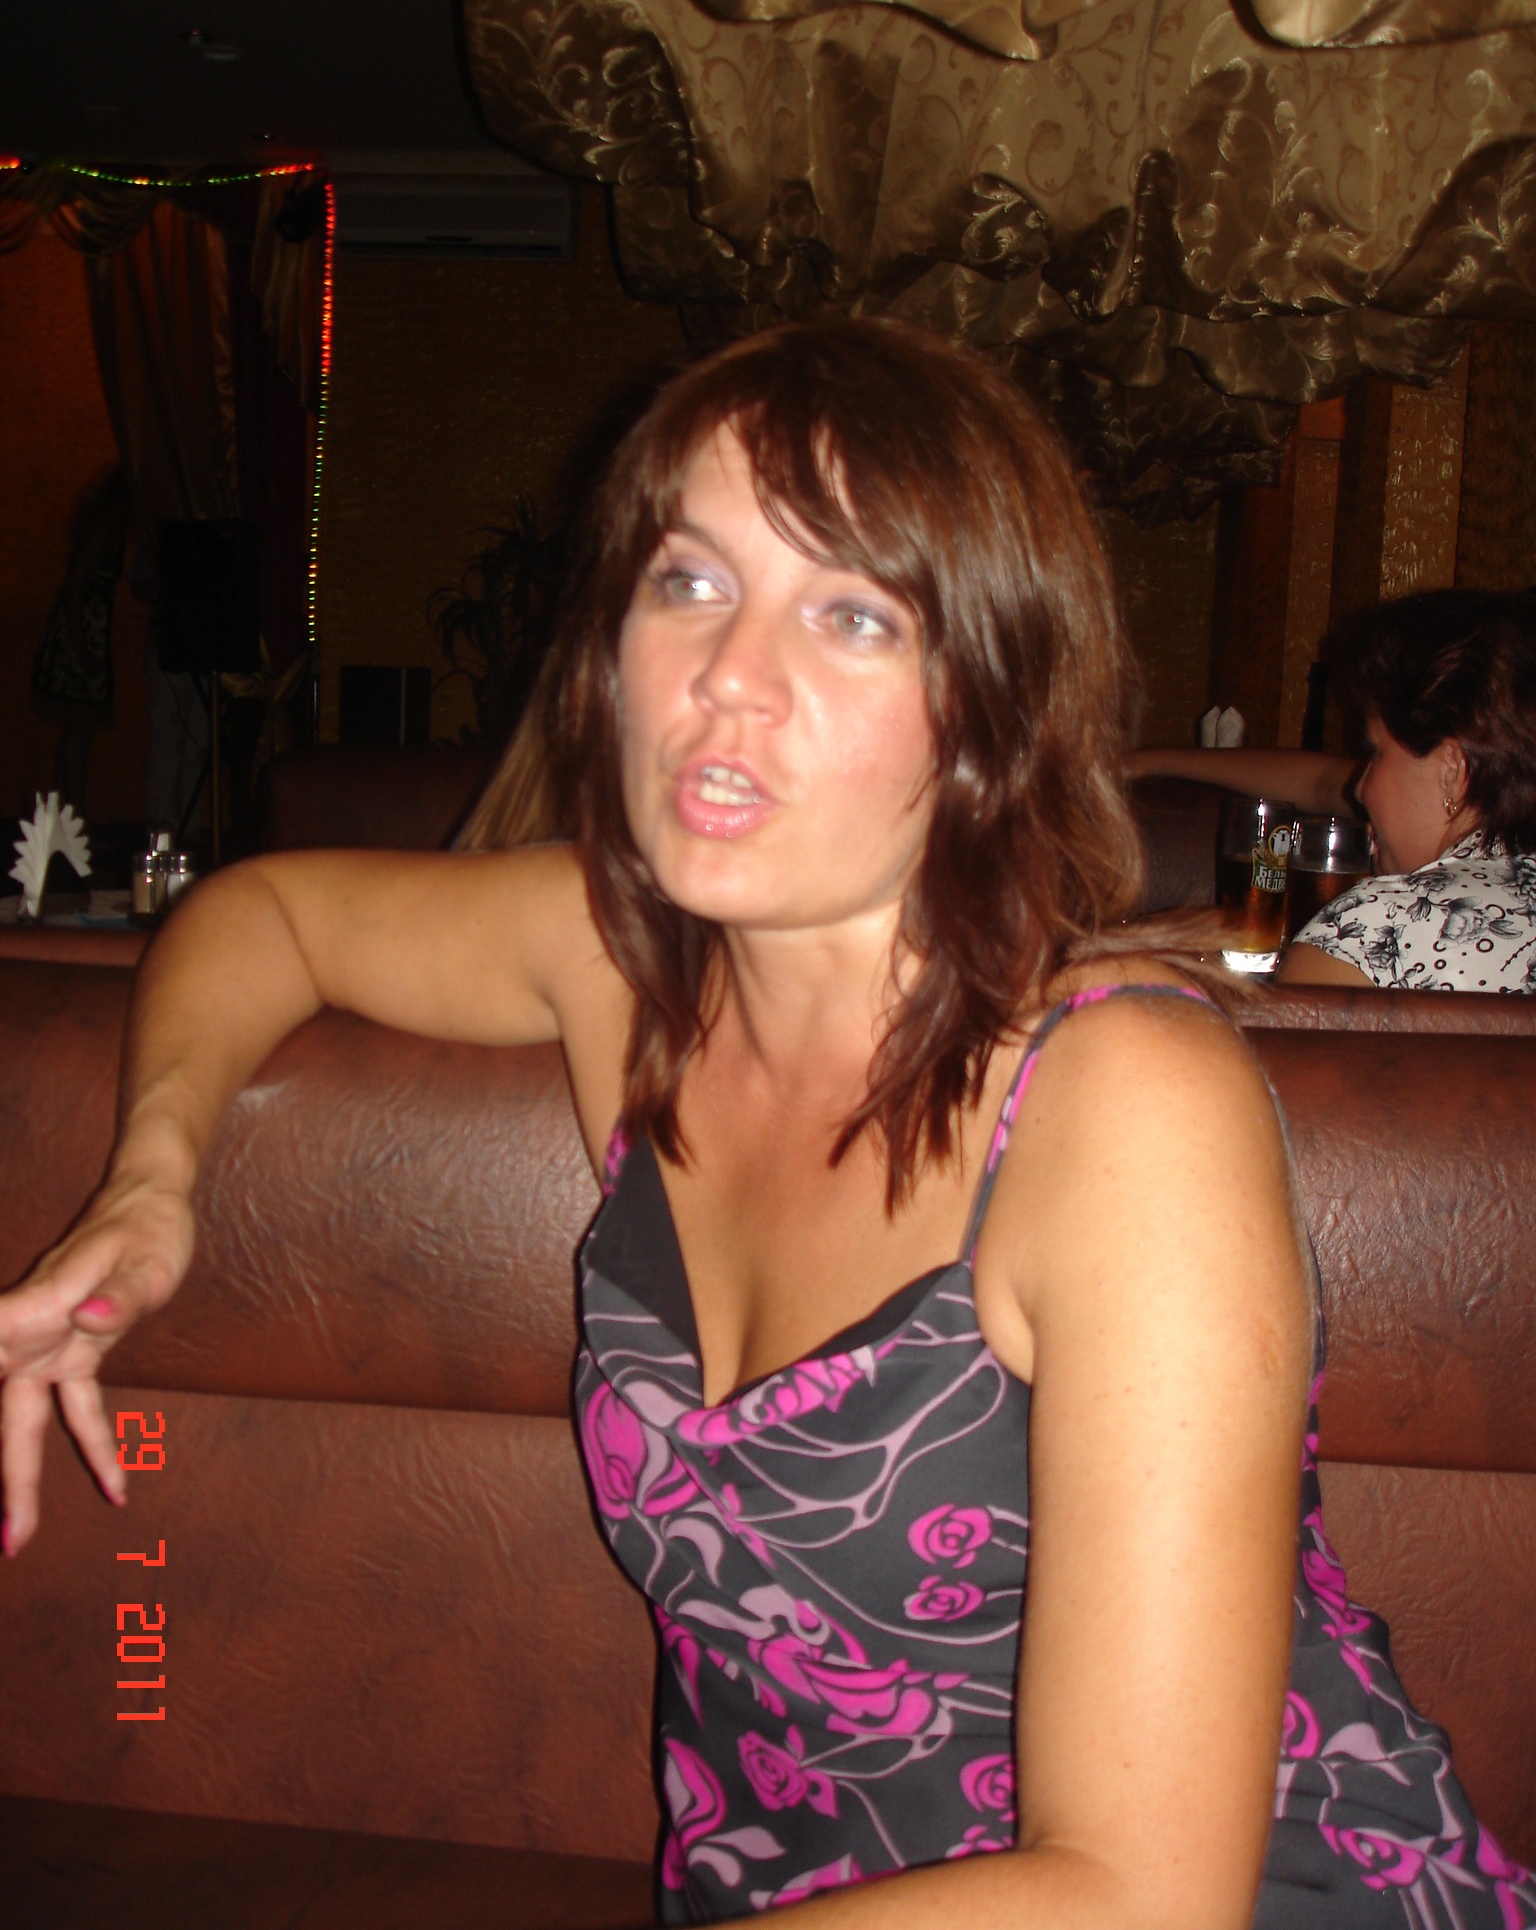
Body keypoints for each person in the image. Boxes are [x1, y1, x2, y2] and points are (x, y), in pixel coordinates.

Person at [1, 323, 1530, 1929]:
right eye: (690, 581)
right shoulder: (619, 964)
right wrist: (149, 1190)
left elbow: (1141, 1894)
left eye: (853, 614)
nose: (730, 674)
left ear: (988, 714)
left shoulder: (1123, 1102)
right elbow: (266, 918)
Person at [1130, 590, 1536, 993]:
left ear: (1452, 770)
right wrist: (1148, 762)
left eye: (1375, 752)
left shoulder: (1372, 932)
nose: (1359, 788)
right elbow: (1324, 782)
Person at [30, 467, 134, 818]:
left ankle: (66, 813)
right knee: (79, 727)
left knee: (77, 729)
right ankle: (74, 813)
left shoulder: (109, 532)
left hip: (87, 633)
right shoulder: (102, 531)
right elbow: (74, 587)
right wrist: (81, 645)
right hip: (80, 635)